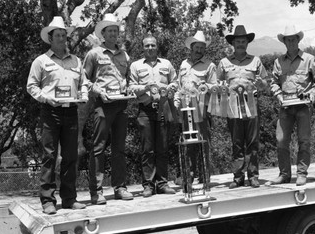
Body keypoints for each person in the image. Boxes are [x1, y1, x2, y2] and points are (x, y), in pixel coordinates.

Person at [26, 16, 88, 215]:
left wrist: (84, 94)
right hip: (50, 111)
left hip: (71, 111)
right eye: (58, 35)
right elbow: (31, 86)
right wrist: (46, 98)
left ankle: (69, 199)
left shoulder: (76, 61)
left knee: (71, 156)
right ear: (50, 39)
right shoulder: (41, 61)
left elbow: (84, 83)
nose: (61, 38)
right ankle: (47, 200)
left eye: (64, 35)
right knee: (49, 155)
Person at [267, 25, 315, 186]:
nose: (291, 42)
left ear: (298, 40)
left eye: (294, 39)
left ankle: (301, 173)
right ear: (284, 42)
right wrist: (278, 95)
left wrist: (313, 92)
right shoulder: (278, 62)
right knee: (281, 140)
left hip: (303, 107)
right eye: (288, 39)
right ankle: (284, 174)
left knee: (304, 140)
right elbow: (273, 83)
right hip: (285, 106)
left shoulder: (309, 59)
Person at [83, 13, 133, 205]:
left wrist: (128, 87)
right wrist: (96, 90)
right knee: (98, 147)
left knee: (119, 148)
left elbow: (127, 78)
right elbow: (84, 80)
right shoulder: (94, 54)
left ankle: (120, 187)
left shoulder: (124, 55)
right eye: (109, 31)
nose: (113, 34)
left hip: (121, 104)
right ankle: (96, 191)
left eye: (116, 31)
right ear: (103, 33)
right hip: (103, 105)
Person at [216, 25, 267, 189]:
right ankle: (238, 177)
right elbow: (217, 84)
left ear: (247, 43)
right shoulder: (224, 63)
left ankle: (253, 176)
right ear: (233, 43)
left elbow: (266, 83)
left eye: (243, 41)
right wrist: (220, 88)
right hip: (232, 107)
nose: (240, 44)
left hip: (251, 106)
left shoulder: (256, 61)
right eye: (237, 41)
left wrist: (261, 83)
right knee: (236, 142)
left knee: (252, 142)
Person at [129, 35, 178, 197]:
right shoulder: (136, 66)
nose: (150, 48)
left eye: (153, 45)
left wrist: (170, 87)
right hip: (145, 110)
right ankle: (148, 185)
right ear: (143, 48)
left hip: (163, 109)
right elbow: (131, 87)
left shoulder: (166, 64)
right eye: (147, 46)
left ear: (157, 47)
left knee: (162, 148)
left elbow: (175, 82)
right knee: (147, 149)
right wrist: (146, 87)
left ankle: (162, 183)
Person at [175, 30, 217, 184]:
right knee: (188, 140)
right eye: (196, 47)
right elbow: (180, 85)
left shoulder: (210, 65)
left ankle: (204, 174)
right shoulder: (183, 64)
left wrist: (207, 86)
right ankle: (190, 173)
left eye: (202, 47)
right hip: (186, 108)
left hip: (201, 108)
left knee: (202, 141)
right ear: (191, 47)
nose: (199, 50)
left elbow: (215, 86)